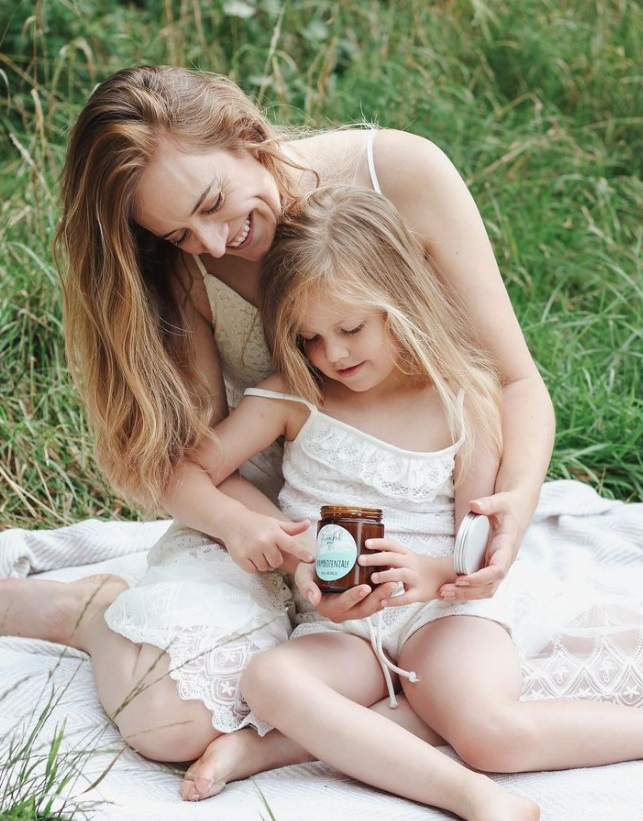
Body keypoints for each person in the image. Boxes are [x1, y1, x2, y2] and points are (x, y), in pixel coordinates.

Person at [0, 63, 554, 800]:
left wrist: (509, 503)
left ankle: (375, 720)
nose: (213, 240)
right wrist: (271, 545)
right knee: (166, 720)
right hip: (264, 521)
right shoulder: (183, 267)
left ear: (245, 135)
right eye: (178, 232)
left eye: (213, 202)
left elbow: (511, 381)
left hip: (407, 524)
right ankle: (95, 609)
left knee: (455, 686)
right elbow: (191, 464)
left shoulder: (400, 174)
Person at [202, 184, 641, 819]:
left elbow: (477, 540)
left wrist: (434, 577)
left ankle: (276, 754)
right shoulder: (293, 397)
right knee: (270, 680)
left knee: (488, 730)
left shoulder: (461, 397)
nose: (334, 355)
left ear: (399, 305)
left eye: (351, 329)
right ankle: (448, 784)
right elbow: (199, 469)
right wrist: (266, 532)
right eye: (308, 339)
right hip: (341, 620)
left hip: (444, 612)